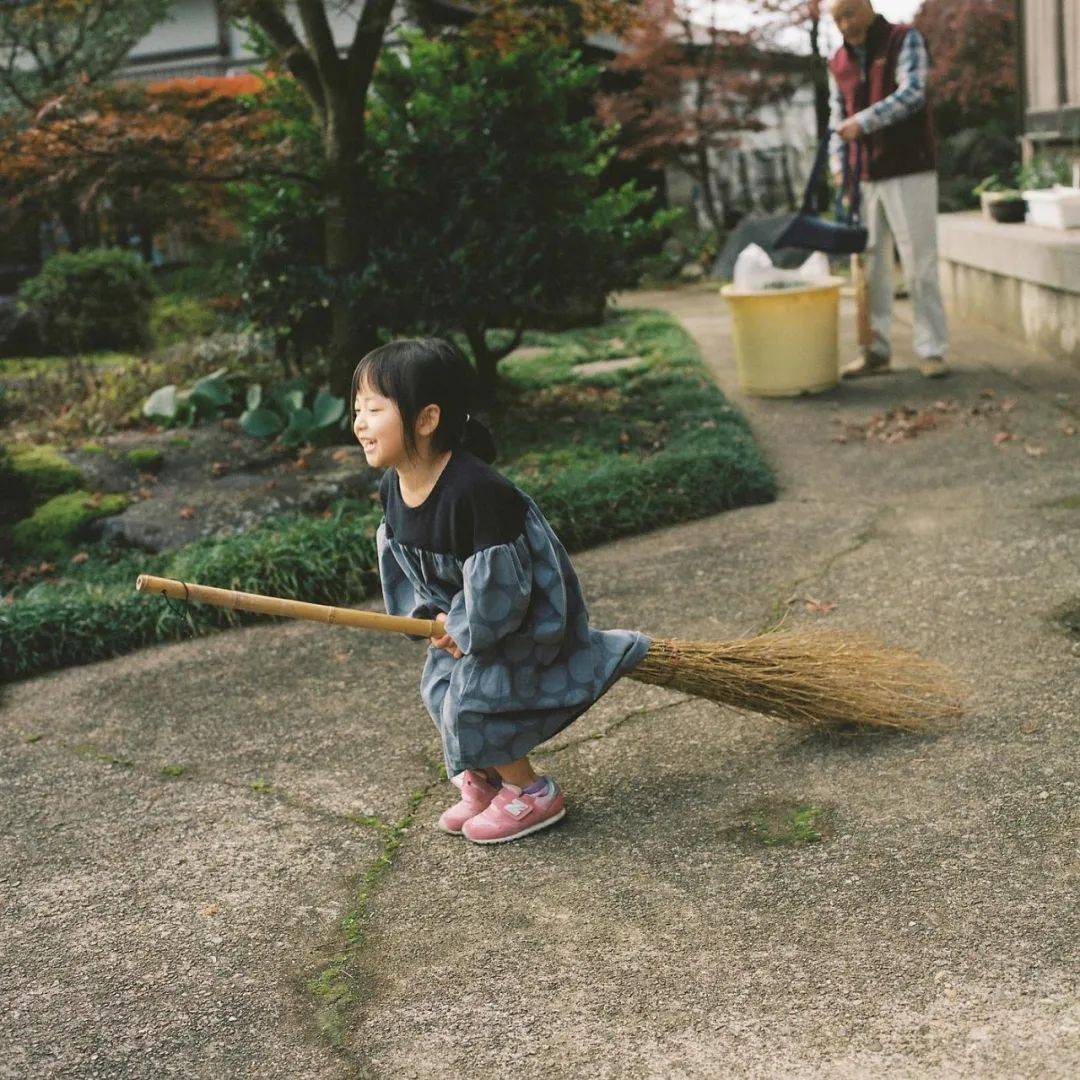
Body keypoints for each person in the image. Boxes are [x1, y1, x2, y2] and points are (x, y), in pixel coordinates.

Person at [351, 338, 651, 845]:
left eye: (374, 409)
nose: (359, 422)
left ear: (426, 419)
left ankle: (531, 792)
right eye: (356, 409)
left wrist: (466, 626)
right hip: (463, 621)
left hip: (519, 619)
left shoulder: (476, 491)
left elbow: (503, 584)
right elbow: (404, 567)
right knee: (440, 689)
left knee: (475, 700)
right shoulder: (394, 488)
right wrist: (429, 616)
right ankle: (487, 779)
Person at [827, 0, 950, 380]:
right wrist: (837, 166)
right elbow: (836, 115)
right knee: (869, 268)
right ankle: (875, 350)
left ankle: (931, 350)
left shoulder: (903, 39)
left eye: (848, 13)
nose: (844, 24)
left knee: (919, 263)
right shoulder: (837, 61)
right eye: (836, 19)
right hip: (862, 176)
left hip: (909, 167)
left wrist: (862, 123)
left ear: (866, 6)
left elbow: (913, 93)